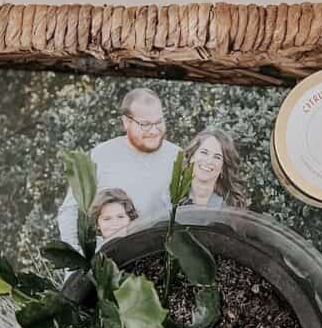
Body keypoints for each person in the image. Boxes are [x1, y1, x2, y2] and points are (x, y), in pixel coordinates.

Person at [57, 87, 179, 248]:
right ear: (126, 122)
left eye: (159, 122)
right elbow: (70, 212)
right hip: (109, 259)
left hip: (159, 257)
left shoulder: (177, 156)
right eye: (145, 124)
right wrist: (79, 262)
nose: (154, 131)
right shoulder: (101, 156)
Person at [183, 128, 249, 209]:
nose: (209, 161)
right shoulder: (170, 196)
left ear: (223, 167)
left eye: (217, 157)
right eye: (204, 152)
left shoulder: (233, 203)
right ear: (192, 156)